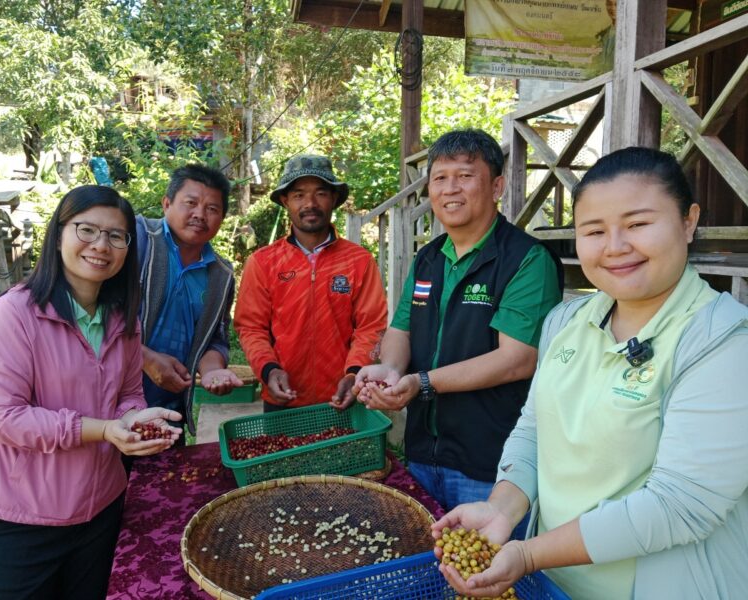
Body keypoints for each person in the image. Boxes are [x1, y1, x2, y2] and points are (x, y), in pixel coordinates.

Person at [431, 147, 748, 600]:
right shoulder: (567, 321)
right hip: (555, 584)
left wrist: (529, 554)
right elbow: (534, 429)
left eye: (638, 224)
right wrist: (502, 507)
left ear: (688, 221)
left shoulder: (723, 342)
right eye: (594, 231)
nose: (615, 247)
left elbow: (681, 506)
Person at [0, 186, 182, 600]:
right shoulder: (13, 315)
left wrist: (133, 418)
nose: (101, 245)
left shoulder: (122, 319)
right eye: (87, 230)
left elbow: (129, 392)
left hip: (98, 513)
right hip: (17, 521)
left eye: (116, 236)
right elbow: (1, 417)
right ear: (58, 233)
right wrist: (104, 430)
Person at [354, 129, 563, 517]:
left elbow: (517, 359)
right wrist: (391, 370)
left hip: (491, 466)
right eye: (440, 178)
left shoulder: (527, 259)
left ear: (497, 186)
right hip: (421, 454)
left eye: (465, 176)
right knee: (430, 569)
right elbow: (401, 329)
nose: (451, 188)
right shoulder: (428, 258)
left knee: (485, 575)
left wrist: (422, 383)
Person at [234, 154, 387, 411]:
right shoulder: (263, 262)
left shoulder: (358, 260)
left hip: (345, 397)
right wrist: (268, 370)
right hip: (282, 398)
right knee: (284, 453)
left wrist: (354, 373)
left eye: (320, 193)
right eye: (299, 195)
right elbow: (251, 327)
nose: (310, 204)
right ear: (285, 201)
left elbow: (372, 326)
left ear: (334, 199)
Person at [138, 163, 242, 439]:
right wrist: (144, 358)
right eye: (191, 203)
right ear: (167, 203)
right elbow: (93, 315)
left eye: (212, 209)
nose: (200, 214)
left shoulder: (221, 274)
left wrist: (212, 371)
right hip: (107, 405)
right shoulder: (137, 239)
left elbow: (214, 338)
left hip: (168, 411)